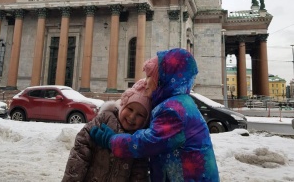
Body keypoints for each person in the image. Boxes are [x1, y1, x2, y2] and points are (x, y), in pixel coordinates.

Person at [90, 48, 220, 181]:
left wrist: (112, 140)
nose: (145, 81)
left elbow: (147, 143)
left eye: (149, 76)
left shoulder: (173, 109)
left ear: (162, 79)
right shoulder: (176, 102)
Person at [61, 79, 151, 182]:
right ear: (122, 106)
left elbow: (139, 174)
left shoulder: (138, 141)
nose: (132, 117)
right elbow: (80, 153)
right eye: (130, 109)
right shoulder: (104, 120)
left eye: (140, 115)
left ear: (145, 121)